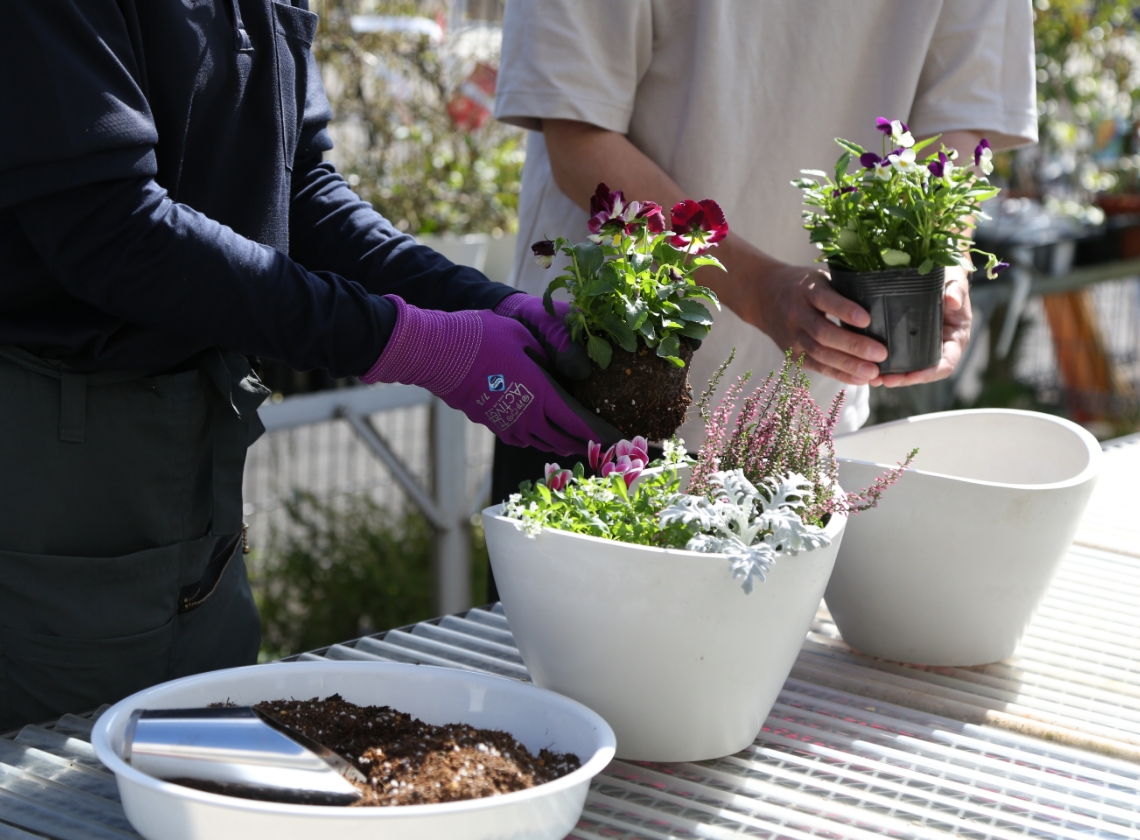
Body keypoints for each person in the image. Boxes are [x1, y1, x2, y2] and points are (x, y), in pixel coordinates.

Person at [0, 0, 614, 732]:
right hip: (68, 448)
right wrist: (413, 343)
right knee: (73, 774)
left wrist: (480, 305)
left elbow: (303, 196)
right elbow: (111, 227)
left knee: (202, 743)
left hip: (204, 455)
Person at [487, 0, 1039, 565]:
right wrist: (758, 289)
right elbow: (580, 139)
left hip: (809, 426)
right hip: (595, 397)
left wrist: (943, 258)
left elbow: (960, 125)